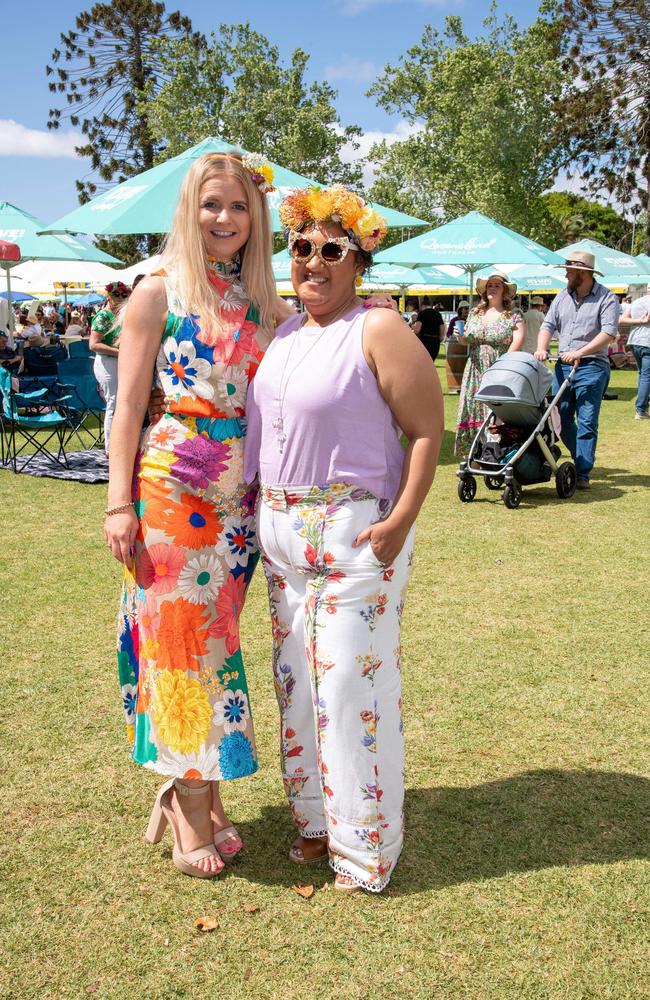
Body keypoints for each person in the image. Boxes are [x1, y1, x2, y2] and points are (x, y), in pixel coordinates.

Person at [244, 185, 445, 893]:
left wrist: (399, 521)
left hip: (358, 535)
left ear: (359, 260)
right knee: (297, 683)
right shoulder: (289, 332)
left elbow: (426, 431)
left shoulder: (379, 328)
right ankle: (316, 821)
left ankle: (365, 849)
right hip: (284, 543)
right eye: (302, 248)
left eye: (333, 250)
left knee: (350, 686)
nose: (314, 263)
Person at [104, 150, 284, 879]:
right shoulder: (156, 291)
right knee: (180, 642)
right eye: (212, 204)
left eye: (239, 206)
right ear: (190, 207)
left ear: (256, 216)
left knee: (218, 642)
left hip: (238, 498)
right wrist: (120, 502)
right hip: (173, 487)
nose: (225, 219)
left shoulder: (267, 301)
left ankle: (198, 793)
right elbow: (126, 406)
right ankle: (187, 803)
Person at [535, 250, 619, 489]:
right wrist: (542, 347)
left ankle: (582, 471)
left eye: (569, 271)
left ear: (583, 272)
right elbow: (548, 325)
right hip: (563, 366)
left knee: (587, 420)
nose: (565, 274)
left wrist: (580, 353)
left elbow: (609, 333)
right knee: (559, 416)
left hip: (593, 366)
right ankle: (580, 456)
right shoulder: (563, 296)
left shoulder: (607, 298)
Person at [454, 271, 525, 456]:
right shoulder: (475, 313)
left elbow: (518, 341)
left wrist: (503, 367)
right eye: (490, 285)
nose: (492, 288)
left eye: (497, 285)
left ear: (504, 291)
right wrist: (459, 336)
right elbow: (466, 341)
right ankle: (473, 455)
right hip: (475, 368)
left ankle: (494, 452)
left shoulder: (513, 315)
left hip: (499, 366)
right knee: (472, 407)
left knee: (494, 409)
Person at [89, 282, 131, 452]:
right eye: (116, 294)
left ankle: (121, 443)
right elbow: (93, 344)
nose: (120, 297)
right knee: (113, 402)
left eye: (124, 295)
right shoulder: (102, 317)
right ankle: (110, 447)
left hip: (121, 361)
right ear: (108, 296)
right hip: (107, 362)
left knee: (123, 402)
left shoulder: (123, 315)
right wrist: (119, 352)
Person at [618, 283, 650, 420]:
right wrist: (643, 321)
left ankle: (641, 407)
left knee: (643, 374)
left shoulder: (636, 302)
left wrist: (639, 321)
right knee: (646, 376)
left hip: (635, 341)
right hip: (647, 341)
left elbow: (621, 319)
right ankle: (641, 410)